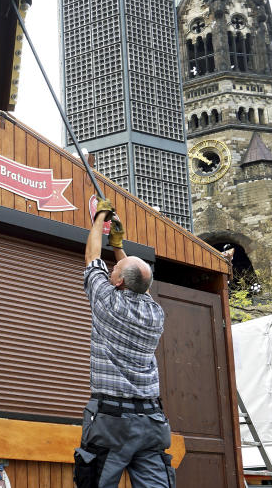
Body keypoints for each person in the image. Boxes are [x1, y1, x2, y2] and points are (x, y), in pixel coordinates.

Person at [73, 197, 174, 488]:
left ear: (117, 283)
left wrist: (98, 219)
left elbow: (92, 258)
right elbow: (136, 279)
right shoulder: (155, 313)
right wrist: (117, 245)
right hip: (152, 421)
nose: (110, 270)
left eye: (114, 270)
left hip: (111, 422)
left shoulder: (107, 301)